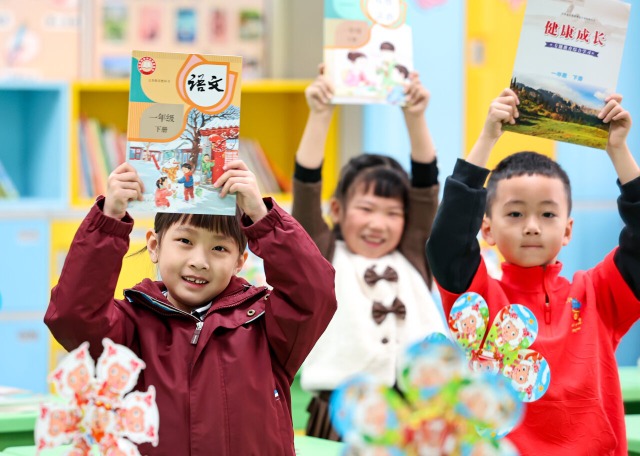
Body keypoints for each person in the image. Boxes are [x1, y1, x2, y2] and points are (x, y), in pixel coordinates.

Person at [45, 159, 337, 455]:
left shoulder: (265, 325)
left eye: (219, 248)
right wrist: (109, 220)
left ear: (239, 261)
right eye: (185, 240)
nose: (199, 261)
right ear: (154, 246)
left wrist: (263, 218)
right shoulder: (130, 327)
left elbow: (314, 294)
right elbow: (72, 316)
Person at [426, 88, 640, 455]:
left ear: (567, 230)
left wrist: (618, 150)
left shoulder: (599, 293)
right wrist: (487, 137)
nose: (531, 226)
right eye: (514, 213)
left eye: (547, 213)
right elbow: (446, 242)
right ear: (487, 229)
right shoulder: (476, 298)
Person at [292, 67, 446, 440]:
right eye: (366, 209)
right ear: (337, 210)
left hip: (415, 411)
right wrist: (320, 114)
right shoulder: (323, 254)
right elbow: (306, 188)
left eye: (393, 213)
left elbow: (426, 187)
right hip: (339, 413)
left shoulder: (413, 254)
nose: (378, 224)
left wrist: (415, 118)